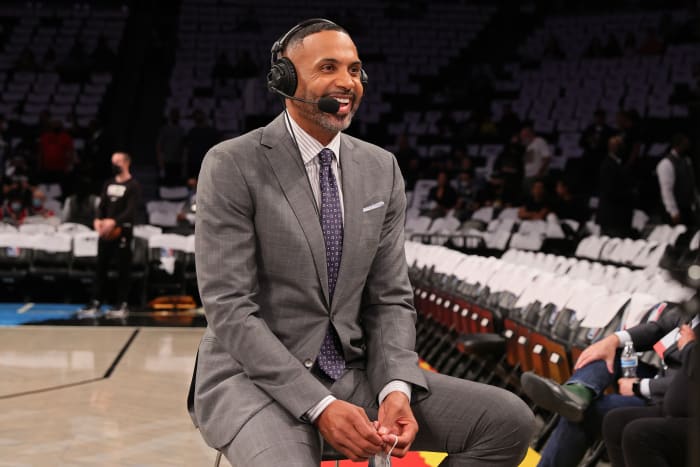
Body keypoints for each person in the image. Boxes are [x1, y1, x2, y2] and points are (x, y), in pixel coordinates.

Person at [188, 18, 534, 467]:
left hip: (350, 373)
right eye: (328, 68)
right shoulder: (232, 163)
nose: (347, 82)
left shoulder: (382, 168)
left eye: (354, 70)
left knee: (508, 422)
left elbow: (390, 299)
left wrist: (395, 386)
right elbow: (230, 308)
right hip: (253, 381)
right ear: (285, 79)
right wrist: (319, 405)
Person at [521, 302, 699, 467]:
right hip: (662, 379)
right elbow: (658, 329)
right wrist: (613, 340)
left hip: (672, 398)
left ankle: (577, 400)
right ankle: (579, 390)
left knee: (585, 414)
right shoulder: (693, 305)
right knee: (612, 351)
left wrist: (640, 386)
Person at [602, 323, 695, 467]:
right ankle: (579, 387)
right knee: (615, 421)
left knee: (638, 434)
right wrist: (612, 340)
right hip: (670, 404)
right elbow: (657, 329)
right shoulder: (687, 311)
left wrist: (689, 348)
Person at [78, 152, 141, 320]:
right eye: (113, 162)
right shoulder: (108, 183)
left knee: (122, 269)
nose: (114, 165)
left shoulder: (133, 185)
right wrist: (98, 220)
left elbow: (130, 210)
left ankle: (122, 303)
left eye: (118, 162)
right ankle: (96, 301)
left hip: (122, 232)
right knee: (100, 268)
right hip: (104, 232)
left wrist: (114, 221)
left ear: (126, 163)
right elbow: (102, 205)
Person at [596, 135, 636, 238]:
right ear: (614, 148)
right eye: (621, 146)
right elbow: (610, 191)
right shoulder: (608, 165)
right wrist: (629, 194)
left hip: (618, 218)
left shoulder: (617, 164)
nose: (624, 148)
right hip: (612, 217)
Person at [656, 133, 699, 226]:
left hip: (687, 207)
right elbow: (667, 190)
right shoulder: (666, 163)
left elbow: (691, 184)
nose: (688, 147)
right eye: (685, 144)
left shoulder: (686, 160)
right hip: (674, 210)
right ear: (678, 145)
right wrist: (673, 212)